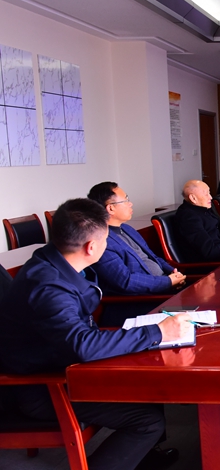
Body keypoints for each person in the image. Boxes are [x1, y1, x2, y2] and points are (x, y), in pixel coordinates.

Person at [0, 198, 192, 470]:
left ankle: (138, 458)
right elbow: (82, 345)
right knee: (147, 421)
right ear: (91, 247)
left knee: (147, 385)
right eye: (106, 240)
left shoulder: (53, 261)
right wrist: (158, 332)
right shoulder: (48, 287)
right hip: (43, 388)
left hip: (63, 365)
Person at [87, 182, 187, 296]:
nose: (130, 204)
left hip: (165, 286)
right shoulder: (101, 241)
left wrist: (173, 273)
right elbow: (126, 281)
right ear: (111, 208)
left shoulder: (127, 229)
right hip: (144, 298)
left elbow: (153, 257)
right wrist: (168, 282)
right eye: (126, 200)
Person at [174, 180, 220, 262]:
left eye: (209, 193)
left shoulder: (202, 210)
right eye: (206, 194)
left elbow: (219, 240)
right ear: (193, 198)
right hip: (209, 265)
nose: (211, 197)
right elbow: (209, 251)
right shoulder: (188, 218)